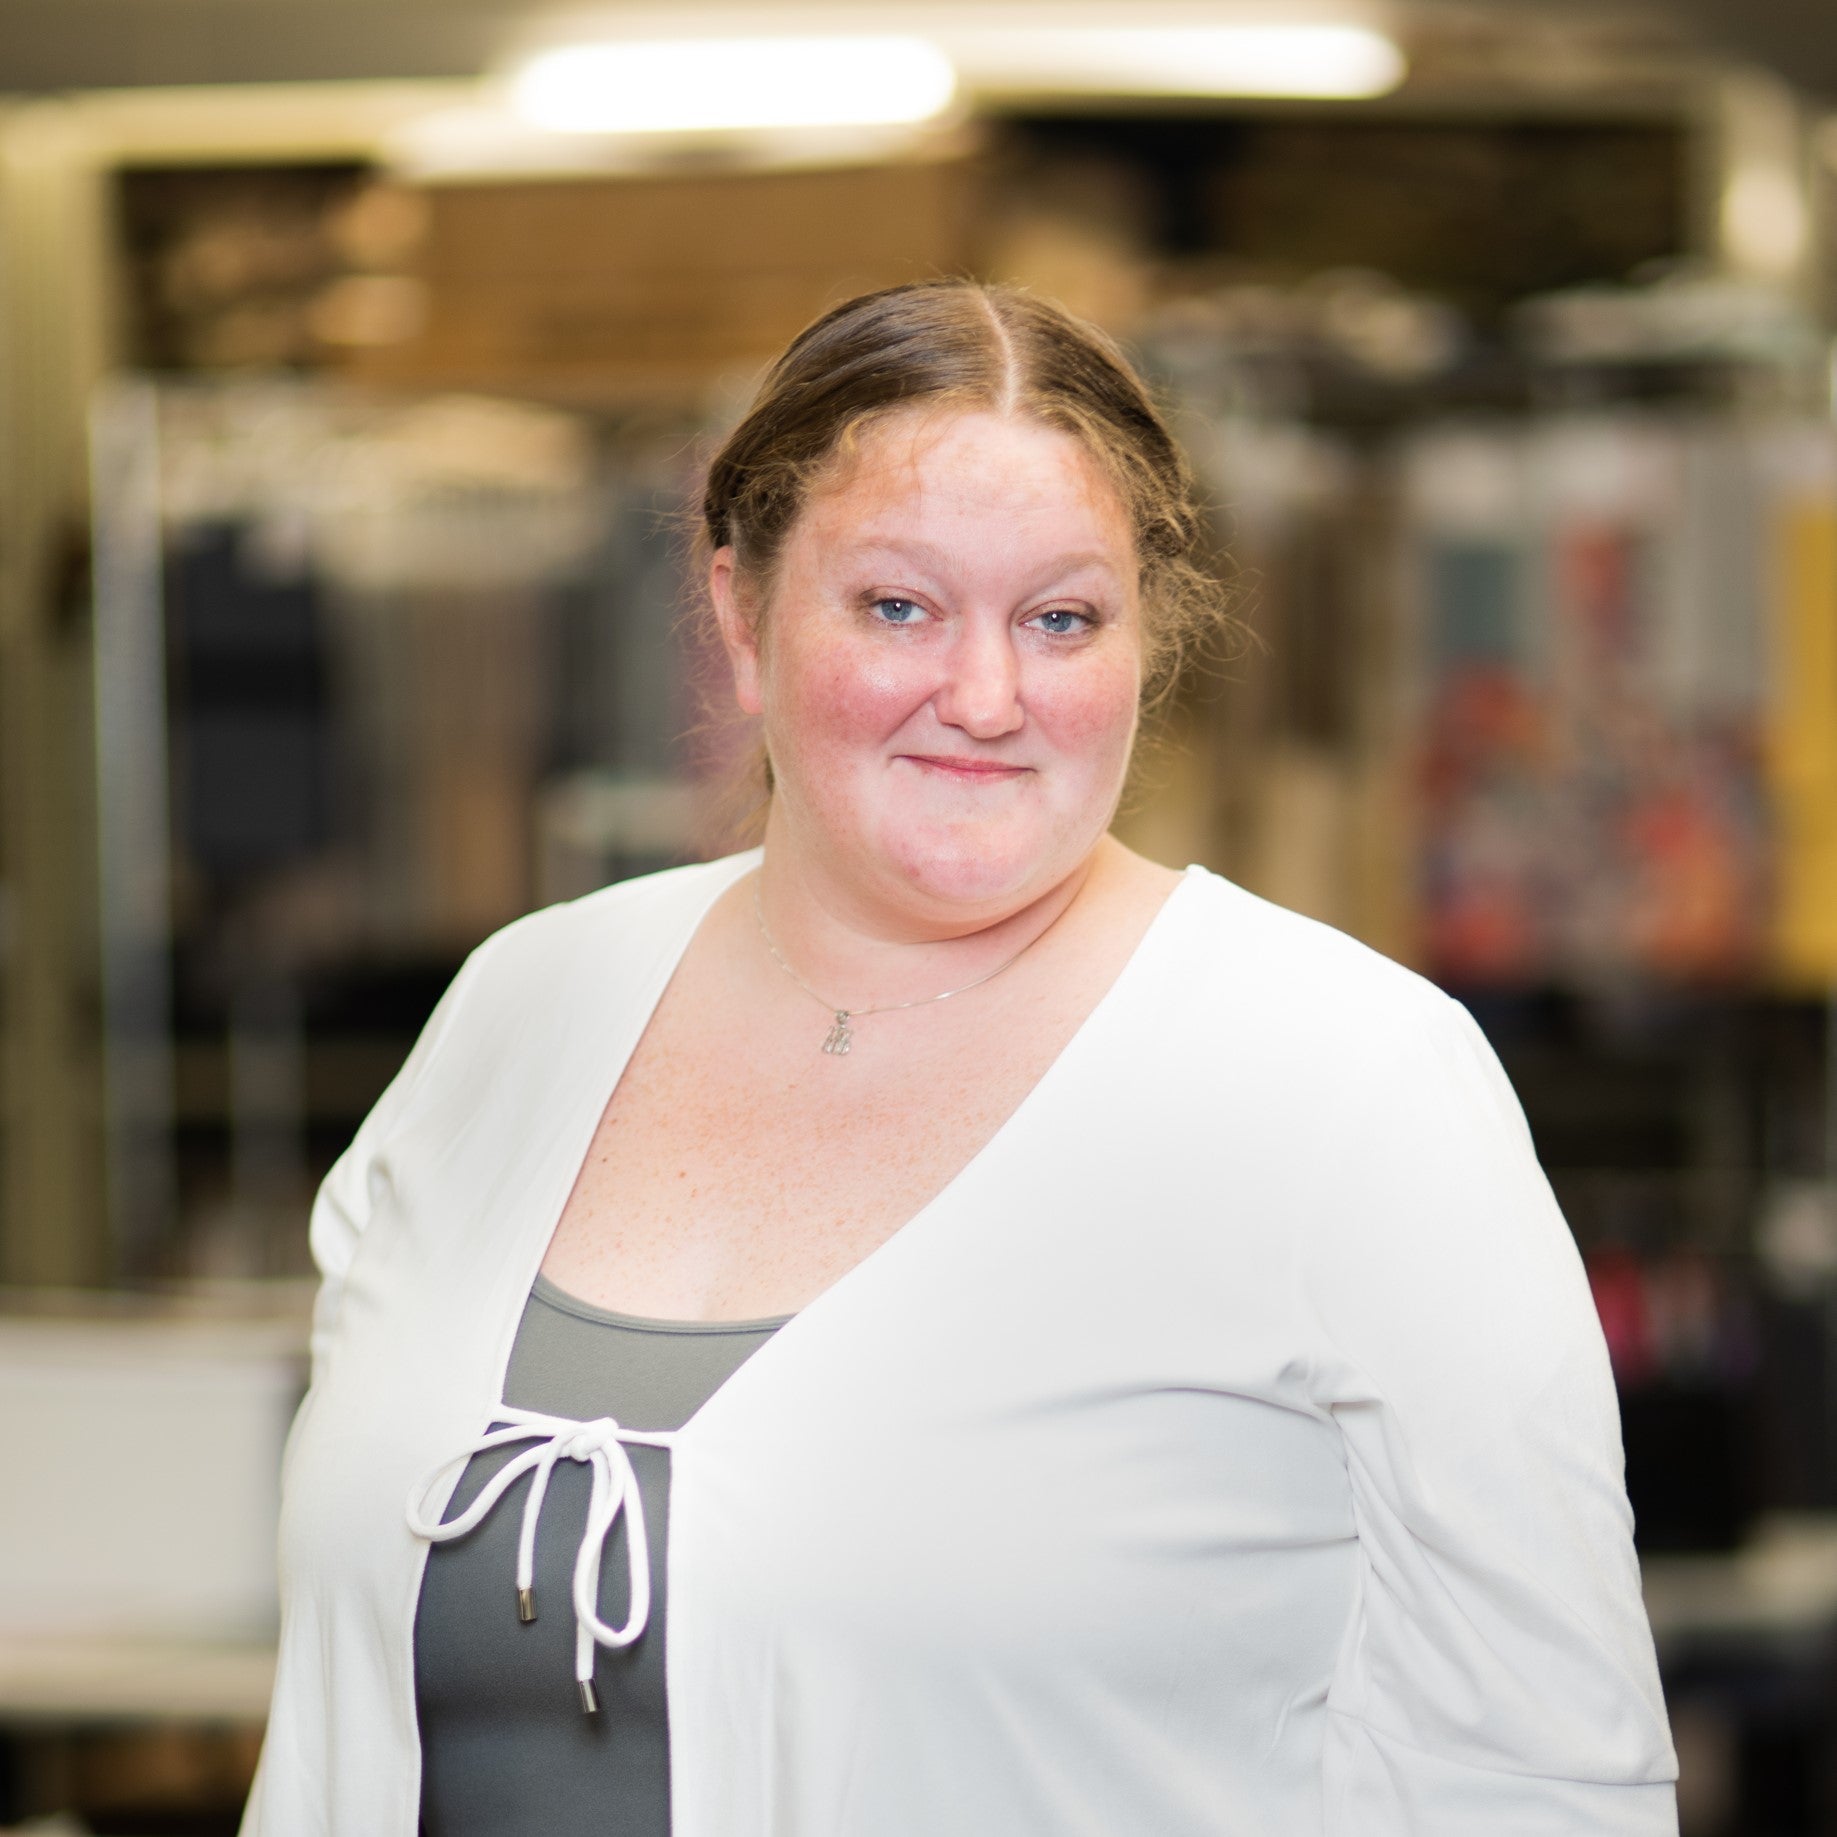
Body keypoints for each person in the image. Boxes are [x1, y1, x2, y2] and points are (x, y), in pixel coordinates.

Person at [241, 280, 1679, 1837]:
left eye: (1060, 617)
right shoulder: (522, 1008)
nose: (986, 699)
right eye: (898, 607)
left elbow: (1544, 1783)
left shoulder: (1347, 1085)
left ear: (1148, 640)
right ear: (738, 613)